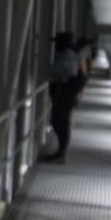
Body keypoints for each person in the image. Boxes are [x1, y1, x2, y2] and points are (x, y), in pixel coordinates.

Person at [43, 31, 85, 164]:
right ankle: (60, 152)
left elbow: (63, 73)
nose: (56, 45)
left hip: (65, 93)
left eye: (57, 42)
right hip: (65, 93)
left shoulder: (68, 55)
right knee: (59, 120)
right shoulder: (69, 54)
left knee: (61, 121)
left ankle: (61, 153)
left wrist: (53, 72)